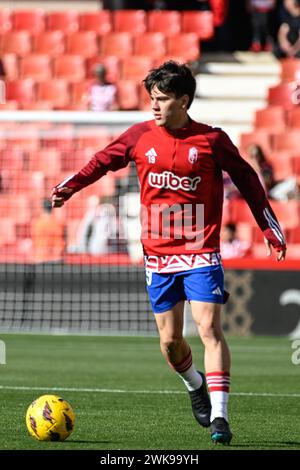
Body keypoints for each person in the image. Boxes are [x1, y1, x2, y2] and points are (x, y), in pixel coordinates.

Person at [51, 61, 286, 445]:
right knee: (170, 343)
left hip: (200, 250)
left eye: (161, 99)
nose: (154, 106)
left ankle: (221, 417)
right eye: (152, 99)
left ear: (184, 100)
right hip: (157, 255)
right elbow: (101, 162)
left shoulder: (211, 141)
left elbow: (248, 180)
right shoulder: (140, 136)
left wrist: (270, 230)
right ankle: (194, 384)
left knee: (209, 329)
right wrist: (69, 187)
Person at [31, 198, 65, 262]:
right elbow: (61, 243)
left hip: (40, 258)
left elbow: (35, 242)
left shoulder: (37, 223)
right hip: (56, 259)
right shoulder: (58, 223)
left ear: (42, 208)